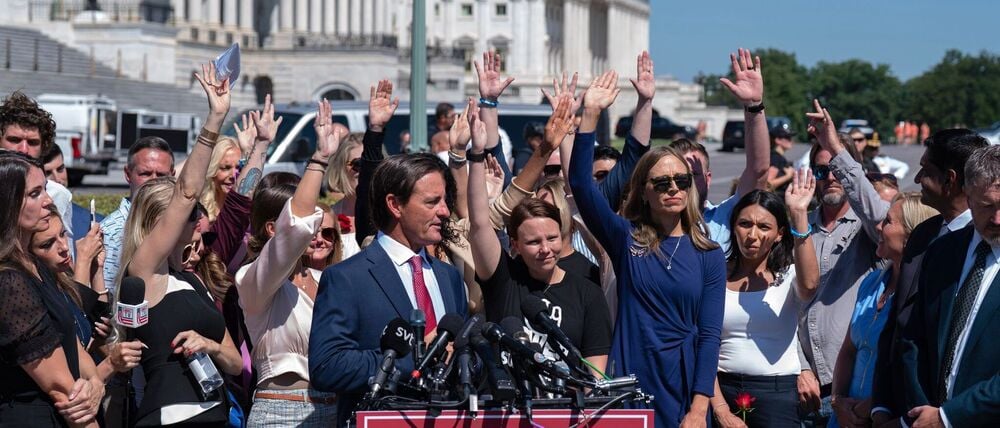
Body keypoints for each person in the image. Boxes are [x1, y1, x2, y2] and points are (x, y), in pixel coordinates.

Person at [568, 69, 725, 428]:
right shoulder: (626, 239)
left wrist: (700, 410)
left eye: (682, 180)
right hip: (632, 382)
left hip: (685, 389)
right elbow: (580, 183)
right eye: (662, 182)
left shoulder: (710, 254)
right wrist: (589, 114)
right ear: (644, 191)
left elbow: (710, 336)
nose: (673, 188)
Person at [109, 62, 242, 426]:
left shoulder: (192, 277)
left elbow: (233, 361)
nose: (195, 217)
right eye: (183, 215)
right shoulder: (143, 270)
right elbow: (186, 191)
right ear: (159, 224)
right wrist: (215, 119)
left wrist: (209, 344)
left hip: (215, 412)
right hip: (169, 416)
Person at [310, 150, 469, 426]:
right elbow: (327, 366)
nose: (444, 211)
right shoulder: (348, 278)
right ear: (395, 205)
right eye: (432, 202)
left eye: (445, 201)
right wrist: (417, 359)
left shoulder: (449, 276)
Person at [468, 94, 611, 372]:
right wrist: (475, 154)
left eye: (552, 238)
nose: (545, 248)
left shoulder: (588, 293)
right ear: (515, 245)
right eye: (533, 242)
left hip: (566, 410)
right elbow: (479, 224)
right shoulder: (504, 280)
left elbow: (596, 375)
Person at [235, 98, 346, 426]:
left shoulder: (328, 279)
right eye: (313, 221)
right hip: (280, 410)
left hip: (334, 407)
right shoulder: (254, 279)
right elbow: (294, 225)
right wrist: (320, 159)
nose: (315, 231)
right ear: (272, 228)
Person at [869, 129, 988, 425]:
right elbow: (901, 328)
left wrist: (944, 417)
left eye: (926, 170)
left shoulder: (988, 248)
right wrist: (883, 405)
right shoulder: (925, 235)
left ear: (949, 180)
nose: (918, 178)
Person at [0, 150, 125, 428]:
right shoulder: (9, 281)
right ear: (7, 204)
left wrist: (95, 383)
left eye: (43, 190)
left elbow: (71, 342)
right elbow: (63, 392)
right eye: (34, 194)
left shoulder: (35, 265)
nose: (47, 201)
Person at [797, 100, 889, 426]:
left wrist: (835, 147)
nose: (830, 178)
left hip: (851, 394)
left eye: (838, 170)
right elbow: (779, 302)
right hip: (803, 388)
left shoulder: (870, 229)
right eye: (822, 171)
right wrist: (799, 366)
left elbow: (879, 217)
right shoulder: (798, 228)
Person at [897, 145, 1000, 427]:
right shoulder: (943, 251)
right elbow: (915, 338)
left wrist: (948, 417)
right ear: (968, 196)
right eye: (987, 205)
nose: (997, 219)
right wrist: (922, 412)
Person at [711, 175, 820, 428]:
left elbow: (811, 285)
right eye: (744, 224)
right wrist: (720, 409)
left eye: (764, 227)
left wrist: (799, 215)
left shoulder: (789, 275)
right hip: (723, 389)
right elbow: (704, 344)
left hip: (777, 394)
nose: (752, 234)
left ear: (780, 234)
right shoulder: (714, 274)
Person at [829, 193, 938, 428]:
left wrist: (868, 407)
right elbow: (848, 350)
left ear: (911, 237)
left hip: (884, 418)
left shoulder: (923, 295)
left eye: (888, 221)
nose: (878, 226)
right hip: (844, 417)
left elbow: (911, 369)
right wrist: (838, 402)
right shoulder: (872, 283)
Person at [680, 49, 770, 254]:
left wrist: (754, 106)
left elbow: (758, 171)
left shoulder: (725, 217)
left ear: (708, 178)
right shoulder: (654, 226)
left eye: (694, 174)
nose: (686, 183)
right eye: (679, 177)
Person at [0, 91, 76, 254]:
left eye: (33, 142)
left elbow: (64, 259)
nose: (23, 150)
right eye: (14, 140)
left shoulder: (58, 195)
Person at [101, 136, 175, 293]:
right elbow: (107, 296)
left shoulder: (180, 223)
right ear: (128, 174)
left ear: (173, 175)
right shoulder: (112, 232)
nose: (153, 182)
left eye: (161, 175)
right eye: (145, 174)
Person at [41, 144, 106, 246]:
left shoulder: (93, 222)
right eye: (48, 173)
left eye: (60, 169)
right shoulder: (33, 225)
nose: (57, 179)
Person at [324, 131, 363, 259]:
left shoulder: (392, 214)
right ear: (342, 167)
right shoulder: (329, 216)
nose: (364, 171)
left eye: (371, 164)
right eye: (358, 164)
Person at [198, 136, 241, 223]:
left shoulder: (246, 210)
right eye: (226, 168)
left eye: (239, 168)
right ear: (212, 169)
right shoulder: (197, 212)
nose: (233, 175)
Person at [767, 127, 796, 193]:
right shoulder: (775, 158)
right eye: (788, 138)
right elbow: (767, 185)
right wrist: (788, 176)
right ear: (778, 140)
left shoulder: (777, 157)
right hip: (777, 199)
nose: (791, 141)